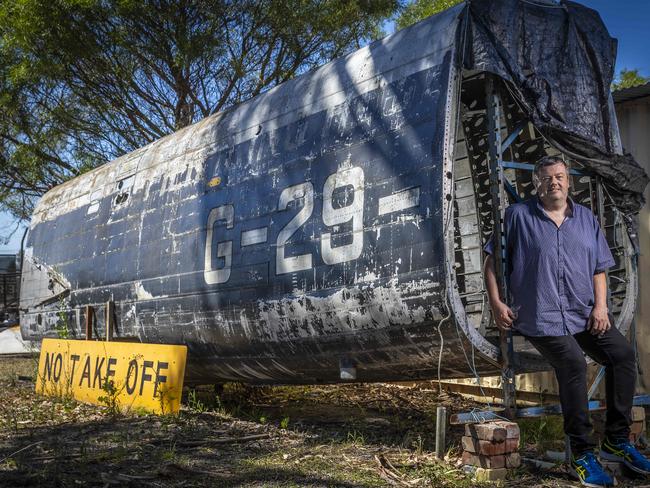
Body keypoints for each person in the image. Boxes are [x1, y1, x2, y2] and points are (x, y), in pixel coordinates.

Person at [483, 155, 650, 487]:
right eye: (546, 178)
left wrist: (601, 307)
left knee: (622, 356)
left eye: (559, 176)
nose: (554, 182)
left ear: (568, 181)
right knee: (573, 363)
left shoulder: (586, 218)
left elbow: (599, 267)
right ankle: (582, 455)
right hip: (538, 317)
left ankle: (616, 441)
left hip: (582, 312)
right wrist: (497, 303)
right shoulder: (516, 216)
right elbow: (491, 261)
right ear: (536, 184)